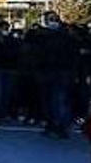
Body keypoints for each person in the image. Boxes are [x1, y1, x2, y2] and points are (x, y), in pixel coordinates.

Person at [23, 11, 82, 139]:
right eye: (50, 19)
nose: (52, 22)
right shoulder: (43, 36)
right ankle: (54, 124)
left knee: (58, 99)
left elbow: (73, 54)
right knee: (51, 100)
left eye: (54, 19)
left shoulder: (65, 36)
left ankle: (59, 125)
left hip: (60, 72)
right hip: (48, 72)